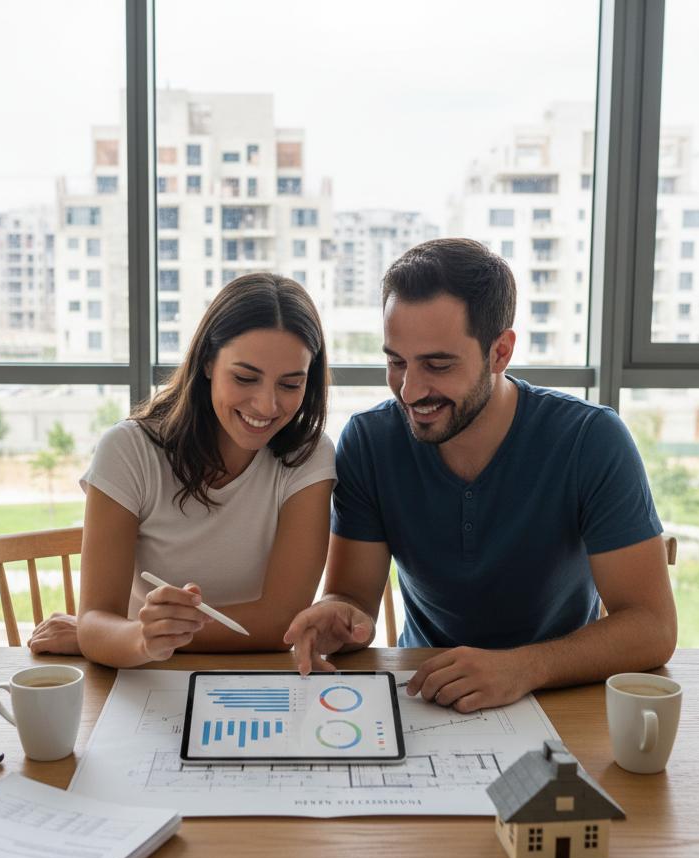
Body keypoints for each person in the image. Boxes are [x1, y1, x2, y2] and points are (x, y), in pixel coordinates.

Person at [284, 238, 677, 711]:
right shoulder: (371, 442)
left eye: (437, 364)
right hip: (427, 691)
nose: (409, 390)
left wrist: (523, 668)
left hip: (562, 696)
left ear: (500, 352)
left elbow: (652, 625)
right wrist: (338, 616)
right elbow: (354, 599)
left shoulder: (591, 441)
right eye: (396, 362)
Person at [29, 272, 336, 667]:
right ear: (207, 361)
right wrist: (137, 638)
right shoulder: (128, 451)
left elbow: (282, 625)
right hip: (146, 680)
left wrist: (124, 636)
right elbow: (95, 619)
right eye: (245, 378)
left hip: (252, 677)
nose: (266, 406)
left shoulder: (308, 456)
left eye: (291, 384)